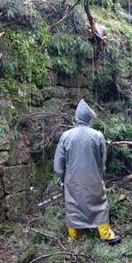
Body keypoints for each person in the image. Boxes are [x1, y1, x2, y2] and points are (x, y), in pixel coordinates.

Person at [54, 99, 121, 245]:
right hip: (93, 180)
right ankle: (106, 234)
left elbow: (59, 164)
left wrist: (62, 177)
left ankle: (73, 237)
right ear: (89, 119)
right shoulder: (97, 135)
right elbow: (103, 162)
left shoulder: (66, 136)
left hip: (73, 181)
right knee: (99, 205)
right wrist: (101, 175)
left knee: (73, 206)